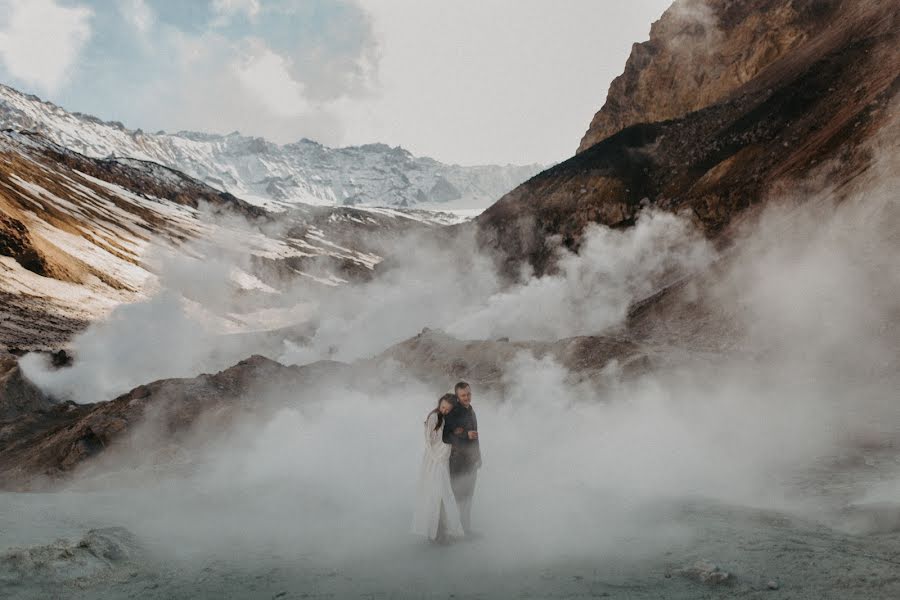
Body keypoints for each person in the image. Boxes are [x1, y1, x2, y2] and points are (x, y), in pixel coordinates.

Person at [412, 393, 465, 543]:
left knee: (443, 495)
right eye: (443, 407)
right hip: (434, 460)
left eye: (448, 410)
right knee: (436, 494)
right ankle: (434, 534)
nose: (444, 411)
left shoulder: (448, 419)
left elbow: (448, 439)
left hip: (443, 460)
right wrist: (436, 459)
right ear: (439, 404)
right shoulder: (434, 417)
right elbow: (428, 441)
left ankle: (444, 531)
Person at [443, 381, 481, 535]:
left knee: (468, 498)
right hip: (457, 463)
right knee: (458, 498)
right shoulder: (453, 413)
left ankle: (466, 530)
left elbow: (476, 437)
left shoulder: (471, 410)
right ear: (457, 397)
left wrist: (478, 457)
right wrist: (465, 434)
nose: (467, 397)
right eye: (463, 395)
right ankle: (452, 531)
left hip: (471, 462)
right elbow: (446, 436)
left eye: (469, 394)